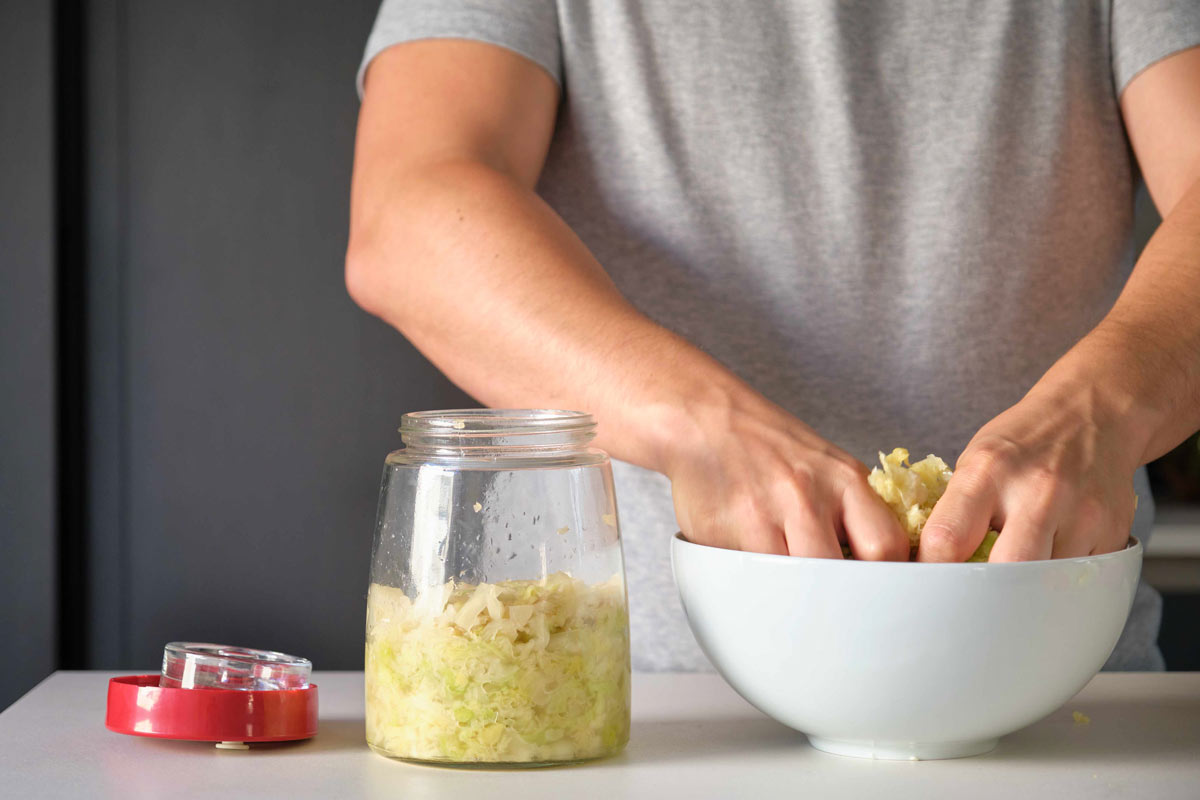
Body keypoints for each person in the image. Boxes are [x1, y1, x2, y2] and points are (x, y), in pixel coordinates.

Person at [346, 1, 1200, 671]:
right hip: (652, 720)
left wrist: (1101, 408)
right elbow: (408, 212)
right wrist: (701, 428)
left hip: (1070, 699)